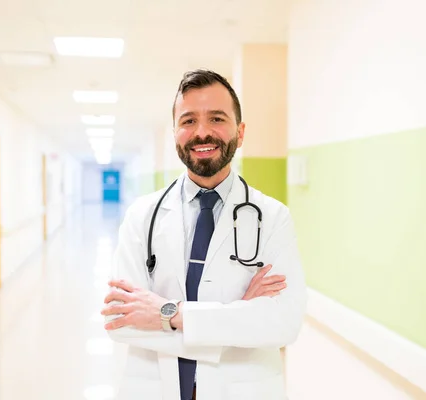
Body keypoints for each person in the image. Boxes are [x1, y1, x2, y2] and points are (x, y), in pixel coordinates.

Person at [100, 69, 307, 400]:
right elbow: (120, 321)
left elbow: (283, 323)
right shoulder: (142, 216)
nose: (202, 133)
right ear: (174, 133)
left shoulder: (273, 217)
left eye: (217, 119)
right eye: (188, 121)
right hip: (154, 387)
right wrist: (238, 315)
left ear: (240, 132)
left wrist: (168, 314)